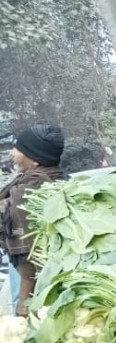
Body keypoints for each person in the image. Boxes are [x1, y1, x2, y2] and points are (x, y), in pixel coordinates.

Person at [0, 125, 66, 316]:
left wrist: (23, 302)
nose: (12, 153)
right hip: (49, 275)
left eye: (18, 149)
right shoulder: (58, 180)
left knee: (25, 321)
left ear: (35, 159)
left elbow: (30, 252)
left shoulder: (29, 191)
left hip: (29, 278)